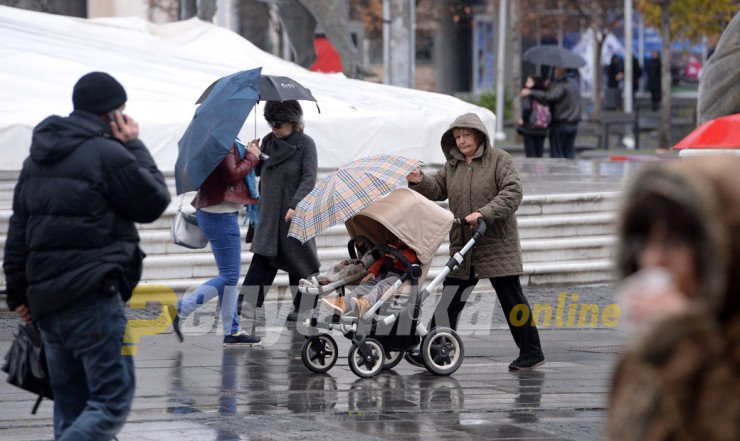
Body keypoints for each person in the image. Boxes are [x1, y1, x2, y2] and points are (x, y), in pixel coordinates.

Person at [2, 72, 171, 440]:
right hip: (92, 297)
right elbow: (154, 200)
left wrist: (18, 296)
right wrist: (135, 145)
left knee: (71, 404)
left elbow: (18, 234)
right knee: (111, 401)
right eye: (122, 111)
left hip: (47, 304)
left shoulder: (37, 160)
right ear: (111, 114)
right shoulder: (108, 153)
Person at [606, 156, 740, 440]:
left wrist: (689, 342)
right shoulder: (640, 358)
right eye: (644, 243)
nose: (652, 261)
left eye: (672, 242)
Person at [406, 112, 545, 371]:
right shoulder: (453, 165)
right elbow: (437, 189)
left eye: (466, 135)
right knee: (450, 297)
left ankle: (531, 351)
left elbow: (513, 191)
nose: (461, 141)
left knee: (512, 300)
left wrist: (484, 213)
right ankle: (436, 352)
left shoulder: (499, 159)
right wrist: (419, 180)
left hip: (495, 243)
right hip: (464, 244)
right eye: (457, 137)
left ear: (479, 135)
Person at [168, 140, 263, 345]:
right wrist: (252, 156)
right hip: (221, 215)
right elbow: (232, 174)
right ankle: (183, 308)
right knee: (229, 276)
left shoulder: (211, 141)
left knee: (228, 277)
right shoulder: (223, 142)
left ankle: (232, 331)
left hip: (212, 212)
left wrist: (247, 152)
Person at [237, 100, 320, 323]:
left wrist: (296, 205)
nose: (274, 129)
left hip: (295, 212)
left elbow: (309, 178)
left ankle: (305, 308)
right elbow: (256, 169)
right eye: (271, 125)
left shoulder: (306, 144)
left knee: (299, 260)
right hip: (269, 210)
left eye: (279, 125)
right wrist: (251, 154)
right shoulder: (268, 141)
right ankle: (247, 303)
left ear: (293, 123)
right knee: (264, 256)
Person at [322, 240, 418, 317]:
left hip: (398, 277)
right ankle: (343, 303)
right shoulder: (397, 245)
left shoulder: (412, 252)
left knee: (381, 287)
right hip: (383, 273)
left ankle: (366, 303)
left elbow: (411, 258)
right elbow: (381, 261)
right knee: (365, 285)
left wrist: (398, 253)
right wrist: (372, 272)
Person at [522, 67, 581, 159]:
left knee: (556, 155)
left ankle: (560, 173)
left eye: (556, 69)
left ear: (562, 70)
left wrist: (531, 92)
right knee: (569, 154)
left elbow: (551, 97)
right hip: (573, 123)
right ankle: (571, 173)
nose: (555, 71)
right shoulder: (574, 83)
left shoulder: (562, 84)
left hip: (561, 123)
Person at [516, 75, 550, 158]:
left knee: (530, 154)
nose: (526, 83)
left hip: (530, 127)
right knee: (539, 153)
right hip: (542, 127)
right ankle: (539, 170)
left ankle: (531, 171)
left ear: (535, 83)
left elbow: (527, 108)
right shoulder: (545, 95)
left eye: (529, 81)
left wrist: (523, 119)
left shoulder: (528, 94)